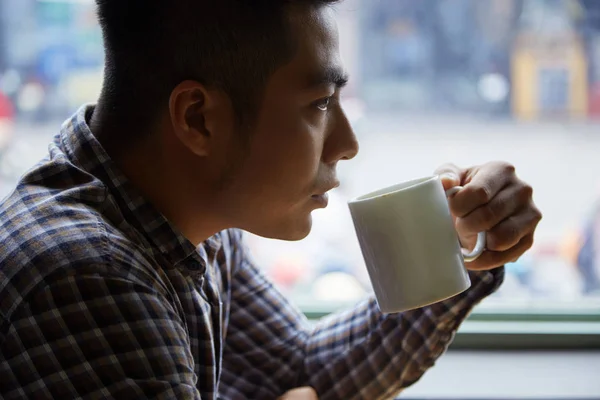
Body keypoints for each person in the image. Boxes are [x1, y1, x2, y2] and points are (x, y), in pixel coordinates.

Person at [0, 1, 541, 399]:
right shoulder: (87, 281)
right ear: (197, 118)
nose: (349, 144)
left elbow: (297, 368)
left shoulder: (191, 224)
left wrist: (452, 245)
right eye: (321, 102)